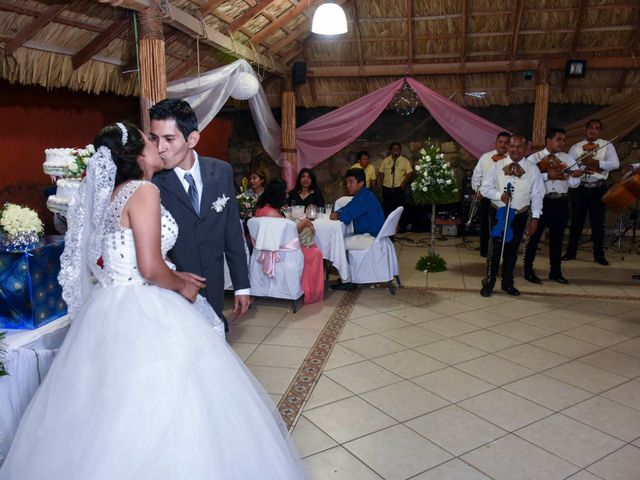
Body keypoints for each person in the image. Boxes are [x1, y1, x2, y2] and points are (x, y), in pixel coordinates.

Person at [0, 122, 307, 480]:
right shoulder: (144, 191)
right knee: (167, 400)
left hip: (110, 306)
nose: (158, 147)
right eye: (150, 140)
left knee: (110, 404)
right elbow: (149, 267)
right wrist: (182, 285)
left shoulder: (112, 195)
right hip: (143, 304)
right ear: (136, 153)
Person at [149, 99, 250, 332]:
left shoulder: (221, 171)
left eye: (169, 139)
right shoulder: (151, 182)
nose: (160, 147)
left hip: (214, 287)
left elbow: (233, 233)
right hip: (172, 291)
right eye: (155, 138)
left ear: (192, 139)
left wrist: (241, 286)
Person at [480, 135, 545, 297]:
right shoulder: (498, 165)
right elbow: (484, 189)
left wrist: (535, 218)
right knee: (495, 247)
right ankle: (489, 281)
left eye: (519, 147)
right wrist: (499, 195)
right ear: (508, 147)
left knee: (512, 249)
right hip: (499, 213)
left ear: (526, 148)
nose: (515, 150)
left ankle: (507, 282)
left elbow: (537, 195)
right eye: (512, 146)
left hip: (520, 214)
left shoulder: (533, 169)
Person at [523, 128, 583, 284]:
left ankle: (555, 272)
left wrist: (573, 176)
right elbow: (527, 180)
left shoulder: (568, 159)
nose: (562, 143)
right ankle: (527, 270)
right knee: (534, 238)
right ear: (548, 140)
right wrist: (547, 176)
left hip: (561, 202)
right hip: (541, 202)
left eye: (564, 140)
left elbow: (574, 185)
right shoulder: (534, 158)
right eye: (558, 139)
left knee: (557, 239)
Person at [255, 179, 324, 304]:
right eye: (284, 193)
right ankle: (310, 291)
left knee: (311, 247)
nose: (286, 195)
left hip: (266, 249)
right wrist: (306, 222)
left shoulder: (261, 208)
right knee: (315, 252)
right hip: (281, 252)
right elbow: (289, 234)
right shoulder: (273, 214)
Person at [562, 119, 620, 266]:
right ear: (585, 129)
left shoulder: (607, 145)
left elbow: (615, 164)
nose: (593, 131)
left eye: (597, 128)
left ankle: (599, 255)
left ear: (599, 131)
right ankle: (571, 252)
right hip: (580, 187)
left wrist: (597, 163)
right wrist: (583, 167)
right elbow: (570, 167)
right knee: (576, 221)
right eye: (591, 128)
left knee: (598, 223)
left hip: (598, 188)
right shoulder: (576, 147)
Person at [330, 168, 385, 291]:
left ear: (361, 183)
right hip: (372, 234)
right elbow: (348, 208)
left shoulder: (363, 197)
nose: (348, 185)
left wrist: (338, 214)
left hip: (371, 237)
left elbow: (348, 215)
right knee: (341, 241)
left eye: (351, 182)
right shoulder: (363, 194)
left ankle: (347, 280)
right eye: (347, 182)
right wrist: (338, 212)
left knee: (337, 244)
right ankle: (348, 276)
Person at [471, 131, 511, 257]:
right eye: (500, 142)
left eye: (506, 143)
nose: (503, 145)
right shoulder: (485, 157)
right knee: (485, 224)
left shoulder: (512, 159)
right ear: (496, 142)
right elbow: (477, 176)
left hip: (503, 198)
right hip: (486, 196)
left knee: (503, 225)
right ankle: (484, 251)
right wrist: (477, 190)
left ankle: (501, 251)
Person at [379, 142, 413, 232]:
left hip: (398, 188)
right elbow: (381, 172)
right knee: (387, 207)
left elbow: (410, 173)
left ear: (400, 151)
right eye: (394, 149)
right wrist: (383, 182)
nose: (396, 151)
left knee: (399, 208)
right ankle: (388, 228)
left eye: (397, 149)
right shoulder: (386, 161)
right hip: (387, 188)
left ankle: (400, 227)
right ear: (391, 151)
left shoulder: (404, 161)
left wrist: (403, 183)